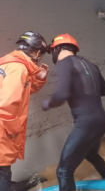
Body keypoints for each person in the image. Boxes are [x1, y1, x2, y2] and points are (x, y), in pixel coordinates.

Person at [41, 33, 105, 191]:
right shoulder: (91, 65)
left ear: (57, 49)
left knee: (63, 171)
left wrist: (47, 103)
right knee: (91, 154)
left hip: (86, 124)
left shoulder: (64, 64)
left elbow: (61, 95)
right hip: (101, 121)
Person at [0, 32, 49, 191]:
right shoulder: (18, 68)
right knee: (3, 170)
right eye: (41, 54)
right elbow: (7, 103)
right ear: (36, 52)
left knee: (3, 168)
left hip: (3, 125)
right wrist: (13, 130)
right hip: (3, 128)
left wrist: (40, 77)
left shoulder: (8, 63)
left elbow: (23, 90)